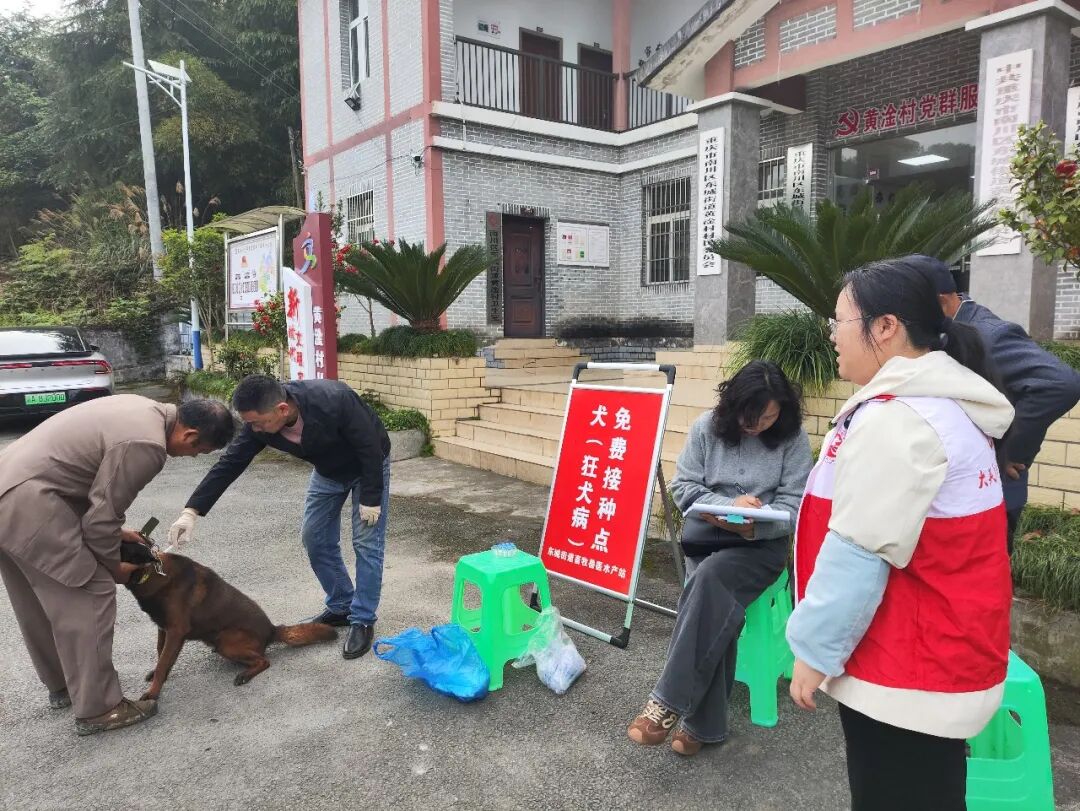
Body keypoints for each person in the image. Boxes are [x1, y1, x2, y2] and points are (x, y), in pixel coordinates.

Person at [787, 256, 1015, 810]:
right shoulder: (943, 406)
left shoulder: (901, 420)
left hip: (907, 668)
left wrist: (813, 652)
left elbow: (860, 552)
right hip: (939, 651)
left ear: (885, 327)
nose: (833, 337)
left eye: (839, 322)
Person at [0, 395, 234, 736]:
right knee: (89, 590)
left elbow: (82, 481)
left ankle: (64, 683)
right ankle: (99, 708)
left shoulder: (139, 407)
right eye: (199, 452)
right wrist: (117, 569)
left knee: (36, 593)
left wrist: (118, 533)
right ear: (190, 436)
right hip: (30, 504)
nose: (193, 457)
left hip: (9, 489)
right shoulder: (148, 445)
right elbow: (100, 521)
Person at [627, 360, 812, 756]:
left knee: (709, 583)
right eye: (750, 417)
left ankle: (668, 702)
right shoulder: (707, 428)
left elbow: (796, 506)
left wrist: (755, 526)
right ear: (732, 407)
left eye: (768, 417)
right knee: (714, 590)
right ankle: (703, 727)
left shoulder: (792, 439)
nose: (758, 424)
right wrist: (727, 505)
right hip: (710, 536)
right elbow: (684, 487)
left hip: (761, 548)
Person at [169, 375, 390, 661]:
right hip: (328, 471)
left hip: (367, 466)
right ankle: (342, 605)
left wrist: (371, 498)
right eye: (249, 423)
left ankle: (362, 618)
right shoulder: (259, 425)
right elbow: (230, 464)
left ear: (282, 410)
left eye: (257, 423)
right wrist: (191, 511)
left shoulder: (334, 399)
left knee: (366, 542)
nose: (253, 429)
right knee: (315, 538)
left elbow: (369, 447)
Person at [929, 257, 1080, 551]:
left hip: (990, 496)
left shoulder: (987, 334)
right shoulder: (949, 333)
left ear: (941, 302)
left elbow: (1061, 383)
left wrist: (1009, 451)